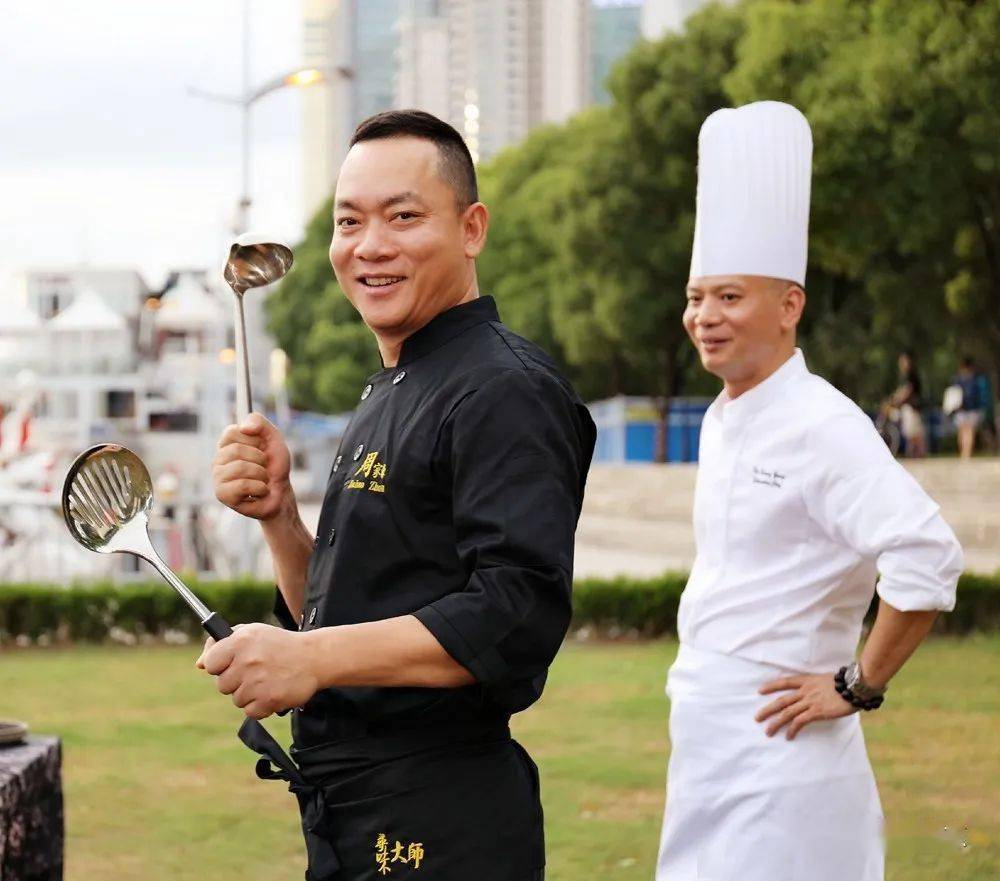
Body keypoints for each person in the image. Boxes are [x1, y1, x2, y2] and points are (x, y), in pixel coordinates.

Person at [199, 110, 596, 881]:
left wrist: (309, 657)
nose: (370, 246)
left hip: (440, 815)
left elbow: (513, 612)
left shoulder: (502, 387)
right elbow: (345, 604)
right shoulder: (399, 382)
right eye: (350, 222)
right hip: (358, 809)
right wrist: (280, 513)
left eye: (403, 216)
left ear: (471, 227)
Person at [655, 101, 964, 881]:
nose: (704, 316)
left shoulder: (823, 422)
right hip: (707, 742)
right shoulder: (723, 417)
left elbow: (927, 554)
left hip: (785, 755)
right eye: (696, 296)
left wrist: (857, 684)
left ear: (789, 305)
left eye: (730, 296)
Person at [891, 350, 926, 457]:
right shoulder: (905, 376)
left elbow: (907, 390)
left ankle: (919, 453)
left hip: (913, 407)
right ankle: (913, 453)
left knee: (914, 433)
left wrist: (896, 400)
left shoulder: (911, 374)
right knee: (910, 432)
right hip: (908, 407)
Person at [952, 356, 985, 459]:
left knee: (968, 430)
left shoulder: (975, 380)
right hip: (962, 409)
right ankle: (964, 452)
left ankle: (966, 452)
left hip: (971, 409)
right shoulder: (959, 380)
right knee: (963, 431)